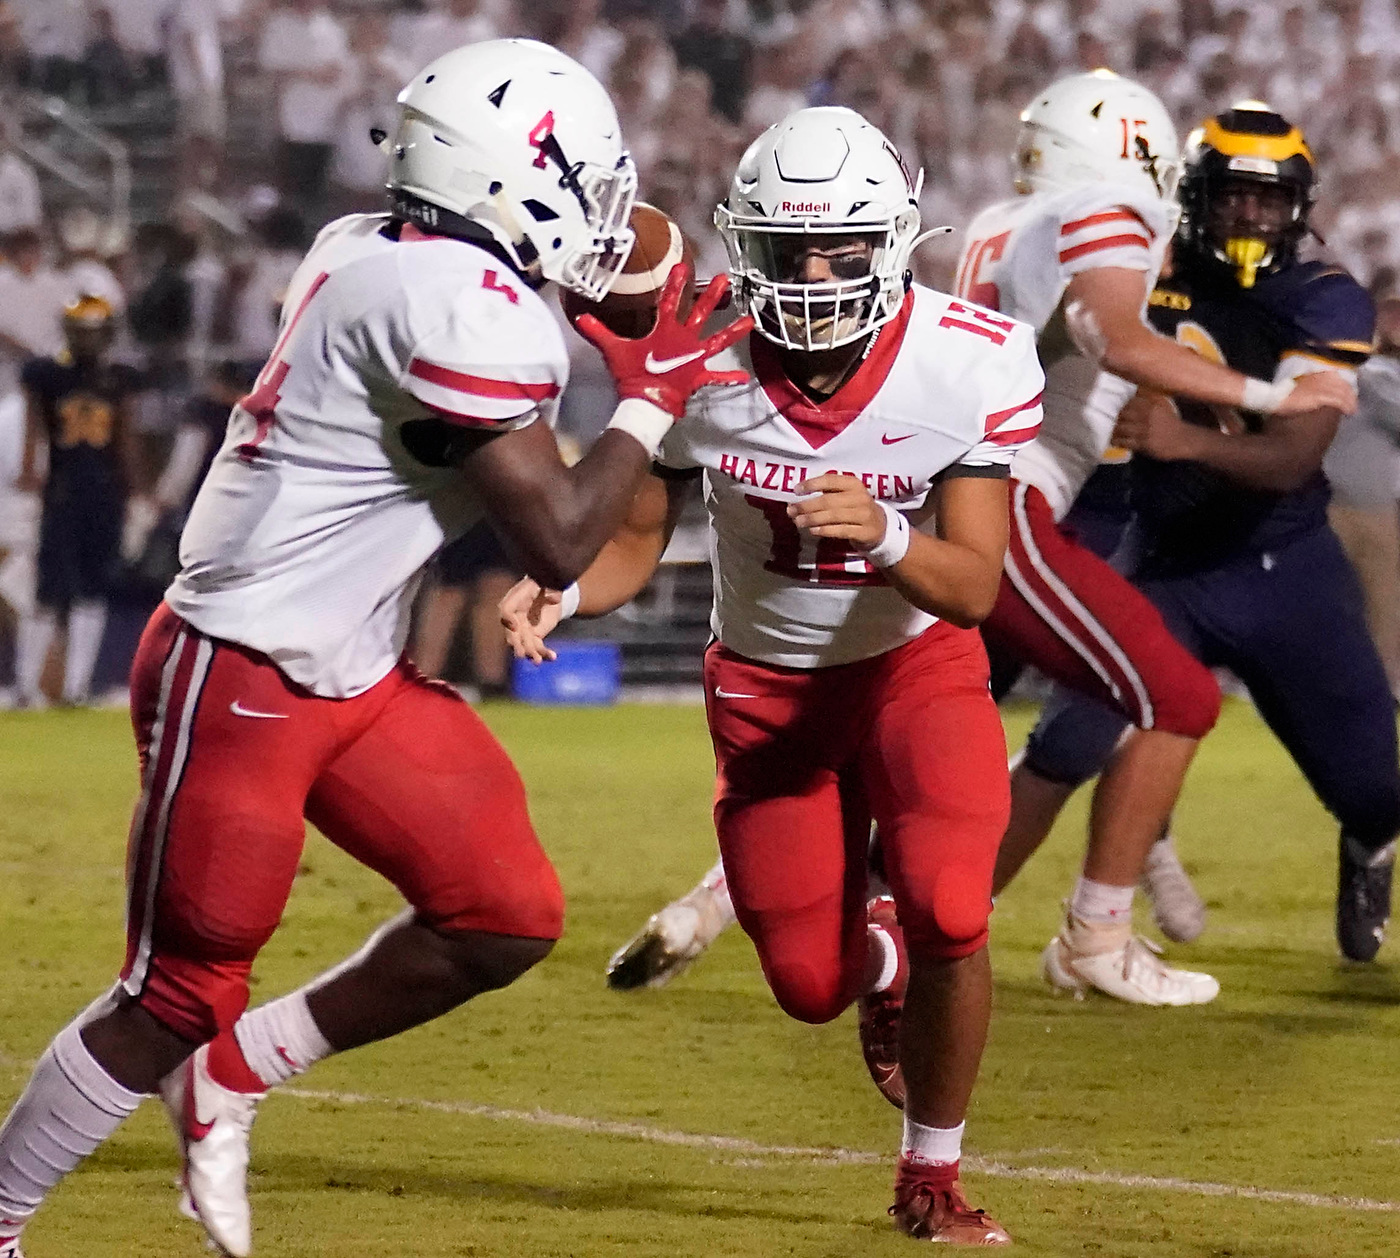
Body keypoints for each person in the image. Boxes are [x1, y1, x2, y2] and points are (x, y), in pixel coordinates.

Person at [0, 38, 748, 1258]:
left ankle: (233, 1072)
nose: (603, 209)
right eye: (582, 178)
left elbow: (577, 287)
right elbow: (559, 540)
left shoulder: (374, 247)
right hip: (239, 667)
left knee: (500, 913)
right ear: (510, 179)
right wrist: (651, 394)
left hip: (349, 672)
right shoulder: (453, 303)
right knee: (176, 991)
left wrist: (632, 310)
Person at [605, 72, 1359, 1008]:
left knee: (1016, 735)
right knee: (1173, 695)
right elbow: (1113, 336)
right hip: (1006, 504)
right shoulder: (1110, 206)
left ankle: (791, 908)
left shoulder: (1007, 220)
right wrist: (1275, 398)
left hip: (982, 504)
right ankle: (1094, 932)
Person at [506, 104, 1046, 1245]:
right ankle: (878, 945)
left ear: (892, 240)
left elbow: (975, 586)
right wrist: (564, 585)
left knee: (957, 901)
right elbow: (636, 530)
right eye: (785, 248)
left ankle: (930, 1176)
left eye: (839, 247)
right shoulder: (698, 360)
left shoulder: (967, 357)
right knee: (810, 983)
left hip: (913, 667)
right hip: (765, 691)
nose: (810, 275)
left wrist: (886, 534)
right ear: (740, 243)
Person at [1004, 103, 1400, 968]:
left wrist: (1179, 438)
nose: (1250, 217)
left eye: (1268, 200)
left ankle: (1369, 846)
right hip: (1167, 563)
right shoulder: (1144, 263)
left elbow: (1293, 458)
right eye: (1232, 197)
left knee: (1378, 791)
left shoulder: (1323, 295)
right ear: (1195, 196)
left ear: (1299, 205)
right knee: (1065, 742)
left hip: (1287, 568)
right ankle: (926, 909)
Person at [14, 294, 142, 706]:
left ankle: (76, 685)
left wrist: (135, 488)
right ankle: (27, 686)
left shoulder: (118, 377)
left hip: (102, 491)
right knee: (49, 591)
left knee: (94, 589)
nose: (89, 340)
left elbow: (125, 434)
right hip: (65, 488)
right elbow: (35, 429)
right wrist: (32, 468)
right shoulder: (49, 375)